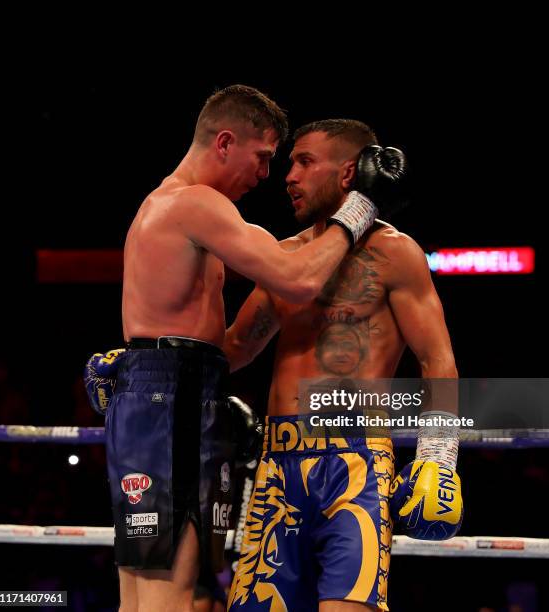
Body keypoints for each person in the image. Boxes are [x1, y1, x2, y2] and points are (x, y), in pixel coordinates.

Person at [87, 88, 401, 612]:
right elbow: (296, 280)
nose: (268, 175)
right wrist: (362, 206)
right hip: (175, 400)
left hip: (158, 393)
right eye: (264, 157)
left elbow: (229, 345)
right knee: (171, 594)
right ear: (226, 142)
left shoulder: (160, 204)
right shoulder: (197, 203)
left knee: (141, 591)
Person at [224, 119, 463, 611]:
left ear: (350, 172)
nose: (289, 175)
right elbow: (235, 349)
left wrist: (438, 458)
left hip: (356, 466)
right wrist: (156, 357)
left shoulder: (395, 254)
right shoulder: (283, 258)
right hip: (277, 467)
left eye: (305, 162)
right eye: (290, 163)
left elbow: (436, 358)